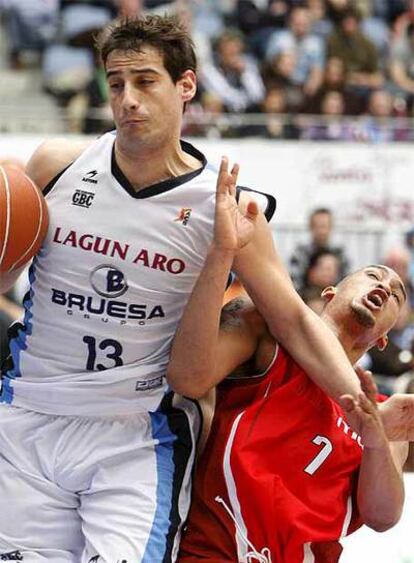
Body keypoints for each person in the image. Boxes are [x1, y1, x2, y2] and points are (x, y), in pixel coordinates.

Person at [0, 14, 367, 562]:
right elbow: (8, 275)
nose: (127, 99)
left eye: (146, 81)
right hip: (27, 415)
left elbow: (292, 318)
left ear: (186, 86)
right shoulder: (59, 165)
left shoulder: (226, 205)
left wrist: (358, 405)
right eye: (117, 83)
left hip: (135, 434)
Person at [166, 167, 410, 561]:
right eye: (371, 275)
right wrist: (221, 253)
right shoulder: (264, 329)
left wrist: (376, 438)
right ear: (330, 293)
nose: (383, 286)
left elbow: (383, 515)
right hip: (215, 548)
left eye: (396, 294)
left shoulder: (381, 411)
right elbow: (187, 376)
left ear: (384, 337)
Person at [290, 207, 349, 290]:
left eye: (324, 226)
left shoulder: (340, 253)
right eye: (318, 226)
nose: (322, 231)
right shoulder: (300, 253)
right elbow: (294, 284)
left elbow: (347, 283)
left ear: (331, 227)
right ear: (311, 227)